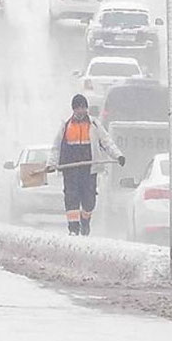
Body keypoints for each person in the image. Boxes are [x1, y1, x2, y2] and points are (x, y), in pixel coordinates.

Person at [48, 94, 125, 236]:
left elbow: (107, 142)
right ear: (73, 109)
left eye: (83, 107)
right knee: (71, 197)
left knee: (89, 200)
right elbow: (56, 147)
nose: (81, 111)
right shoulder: (66, 126)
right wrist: (51, 164)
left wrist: (118, 155)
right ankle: (73, 228)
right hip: (70, 169)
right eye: (78, 108)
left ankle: (85, 220)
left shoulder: (94, 125)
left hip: (89, 169)